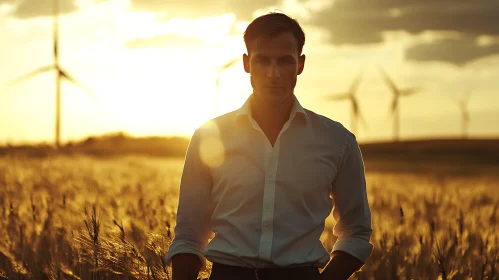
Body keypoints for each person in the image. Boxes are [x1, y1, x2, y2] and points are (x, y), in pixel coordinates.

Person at [165, 12, 373, 280]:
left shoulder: (338, 142)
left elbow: (356, 232)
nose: (273, 73)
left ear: (300, 64)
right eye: (263, 60)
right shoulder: (208, 137)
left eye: (284, 61)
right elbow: (189, 236)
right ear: (246, 63)